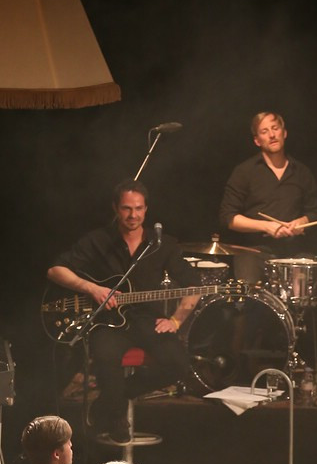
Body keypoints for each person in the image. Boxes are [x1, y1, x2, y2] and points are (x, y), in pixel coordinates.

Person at [47, 179, 201, 444]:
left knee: (177, 363)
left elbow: (194, 285)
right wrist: (92, 288)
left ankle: (111, 401)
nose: (133, 215)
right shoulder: (98, 240)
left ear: (146, 209)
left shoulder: (161, 243)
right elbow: (55, 271)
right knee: (106, 356)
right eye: (127, 208)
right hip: (106, 320)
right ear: (116, 209)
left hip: (146, 319)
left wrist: (176, 320)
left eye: (139, 209)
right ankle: (116, 416)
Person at [219, 111, 317, 253]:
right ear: (257, 140)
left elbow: (314, 212)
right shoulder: (244, 171)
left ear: (284, 133)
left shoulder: (302, 172)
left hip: (295, 250)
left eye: (275, 128)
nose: (272, 135)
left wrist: (302, 222)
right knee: (249, 273)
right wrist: (266, 226)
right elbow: (228, 218)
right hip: (254, 250)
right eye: (264, 131)